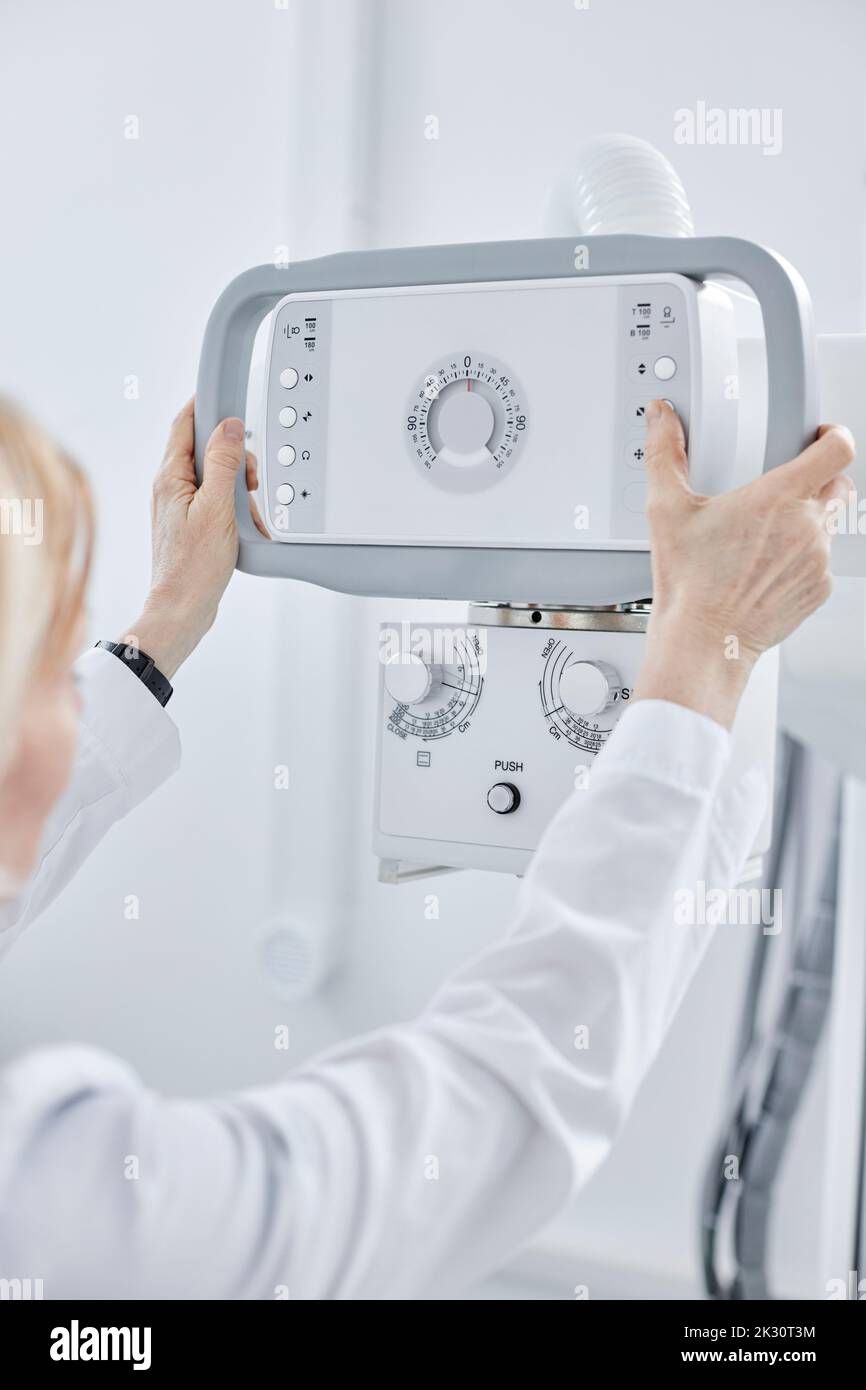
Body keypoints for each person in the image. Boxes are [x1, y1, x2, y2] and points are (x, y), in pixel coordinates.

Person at [0, 397, 853, 1299]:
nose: (75, 713)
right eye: (55, 672)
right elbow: (491, 1114)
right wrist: (708, 647)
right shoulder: (52, 1198)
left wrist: (167, 615)